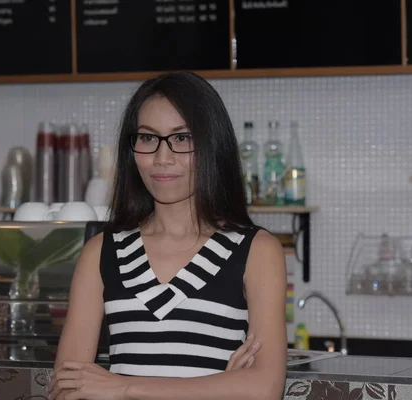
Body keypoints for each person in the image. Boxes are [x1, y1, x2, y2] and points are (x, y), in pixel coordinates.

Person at [49, 71, 287, 400]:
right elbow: (67, 389)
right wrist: (218, 388)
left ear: (211, 146)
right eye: (147, 138)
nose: (162, 158)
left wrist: (124, 387)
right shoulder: (100, 252)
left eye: (182, 138)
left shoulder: (257, 251)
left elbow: (264, 388)